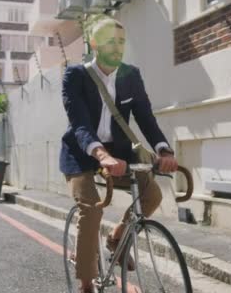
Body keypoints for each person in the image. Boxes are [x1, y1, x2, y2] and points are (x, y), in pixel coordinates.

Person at [60, 17, 178, 293]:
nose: (117, 47)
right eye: (110, 41)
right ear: (94, 44)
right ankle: (87, 283)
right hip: (82, 153)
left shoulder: (131, 75)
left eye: (121, 41)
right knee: (91, 208)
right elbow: (80, 125)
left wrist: (164, 149)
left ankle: (117, 238)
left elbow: (146, 118)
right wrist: (100, 154)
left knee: (152, 195)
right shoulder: (75, 75)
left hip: (120, 154)